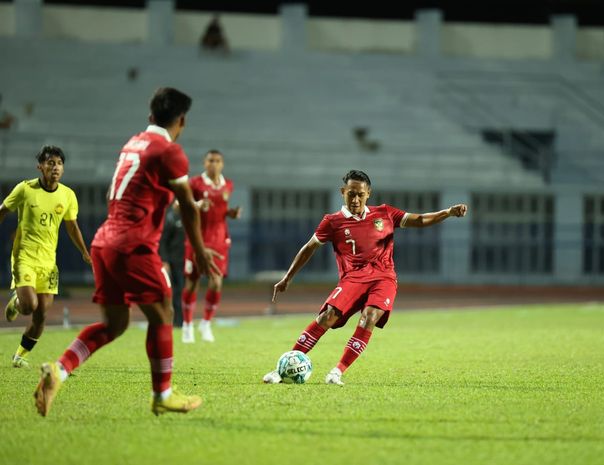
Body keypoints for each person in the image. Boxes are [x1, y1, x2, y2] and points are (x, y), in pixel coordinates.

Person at [33, 87, 221, 417]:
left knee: (114, 324)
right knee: (163, 312)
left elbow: (121, 190)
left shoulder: (132, 144)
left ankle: (58, 371)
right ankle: (162, 394)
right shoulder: (169, 151)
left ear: (150, 116)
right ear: (182, 121)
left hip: (105, 241)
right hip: (132, 245)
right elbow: (190, 210)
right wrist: (201, 249)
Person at [263, 170, 467, 385]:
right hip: (352, 280)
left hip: (384, 278)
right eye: (351, 194)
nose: (356, 199)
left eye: (360, 194)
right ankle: (282, 368)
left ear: (368, 193)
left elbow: (421, 220)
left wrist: (448, 212)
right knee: (327, 316)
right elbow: (309, 248)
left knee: (369, 317)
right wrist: (288, 278)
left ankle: (337, 372)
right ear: (343, 192)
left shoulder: (385, 213)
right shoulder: (332, 222)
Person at [0, 145, 91, 368]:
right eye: (50, 163)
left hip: (49, 262)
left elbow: (72, 227)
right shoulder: (25, 189)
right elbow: (3, 210)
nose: (55, 168)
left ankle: (20, 355)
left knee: (41, 315)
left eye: (59, 164)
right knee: (30, 305)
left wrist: (84, 252)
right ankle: (19, 301)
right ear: (40, 166)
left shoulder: (67, 195)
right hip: (24, 257)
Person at [181, 149, 241, 343]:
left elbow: (221, 211)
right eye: (210, 160)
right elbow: (178, 205)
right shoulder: (194, 183)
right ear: (204, 163)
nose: (213, 164)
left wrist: (231, 213)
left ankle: (206, 323)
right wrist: (197, 205)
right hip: (196, 238)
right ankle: (187, 325)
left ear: (222, 164)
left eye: (217, 161)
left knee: (216, 282)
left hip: (219, 239)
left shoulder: (228, 185)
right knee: (192, 282)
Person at [159, 202, 185, 327]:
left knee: (183, 291)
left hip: (185, 260)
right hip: (173, 261)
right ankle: (177, 321)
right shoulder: (170, 218)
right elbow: (163, 241)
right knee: (175, 291)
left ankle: (183, 320)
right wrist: (165, 260)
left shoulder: (186, 217)